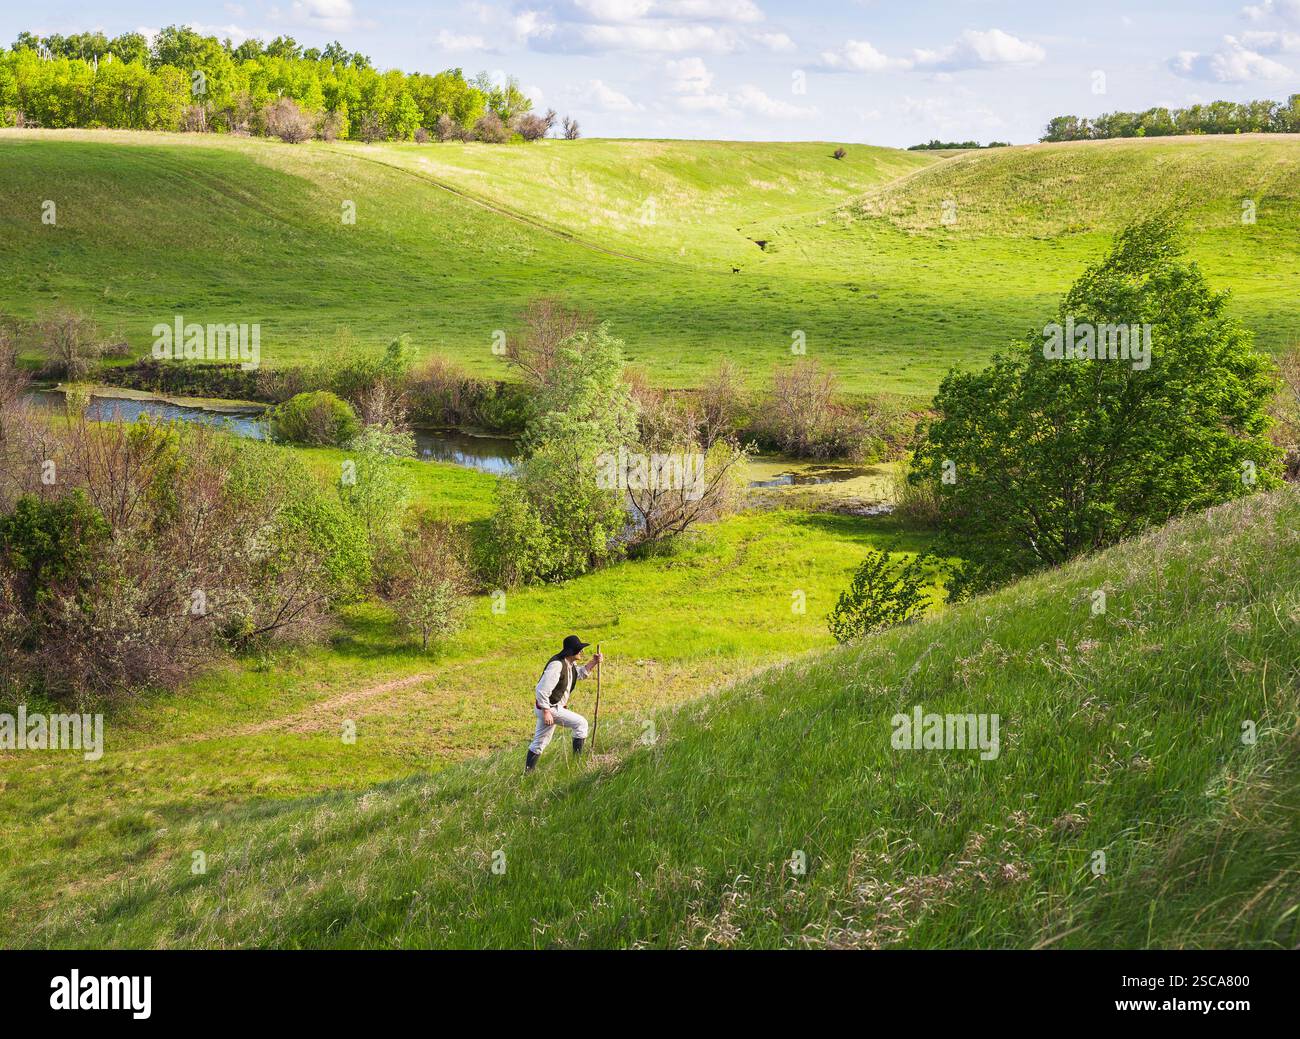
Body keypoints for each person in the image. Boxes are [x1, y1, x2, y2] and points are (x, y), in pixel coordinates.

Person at [526, 634, 602, 772]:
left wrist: (593, 662)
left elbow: (578, 674)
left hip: (549, 708)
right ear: (571, 650)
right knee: (581, 724)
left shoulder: (569, 664)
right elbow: (541, 689)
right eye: (579, 649)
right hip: (550, 708)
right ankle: (576, 766)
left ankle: (527, 774)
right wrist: (546, 711)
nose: (581, 651)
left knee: (540, 742)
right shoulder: (556, 665)